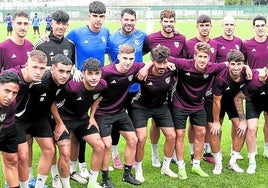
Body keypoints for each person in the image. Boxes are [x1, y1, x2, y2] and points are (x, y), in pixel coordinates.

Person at [169, 42, 227, 179]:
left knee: (201, 132)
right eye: (199, 56)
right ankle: (181, 166)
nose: (202, 59)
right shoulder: (184, 64)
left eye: (205, 57)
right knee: (180, 134)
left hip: (198, 105)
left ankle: (196, 165)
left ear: (209, 58)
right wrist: (166, 64)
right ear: (194, 56)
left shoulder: (213, 67)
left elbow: (229, 64)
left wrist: (248, 69)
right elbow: (163, 57)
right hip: (180, 104)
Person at [15, 54, 73, 188]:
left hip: (40, 119)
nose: (65, 75)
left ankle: (39, 186)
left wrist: (59, 122)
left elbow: (50, 100)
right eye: (61, 71)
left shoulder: (66, 79)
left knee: (49, 151)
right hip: (21, 120)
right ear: (52, 69)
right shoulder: (38, 82)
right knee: (22, 156)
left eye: (68, 72)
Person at [34, 10, 76, 187]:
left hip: (62, 103)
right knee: (49, 146)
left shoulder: (70, 44)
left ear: (67, 25)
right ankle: (53, 176)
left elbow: (71, 69)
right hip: (43, 102)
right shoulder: (41, 43)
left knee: (63, 144)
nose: (60, 26)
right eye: (57, 23)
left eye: (63, 23)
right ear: (51, 24)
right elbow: (35, 69)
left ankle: (66, 174)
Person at [91, 44, 144, 187]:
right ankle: (105, 180)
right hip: (103, 113)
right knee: (107, 145)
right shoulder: (106, 72)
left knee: (133, 140)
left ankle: (127, 175)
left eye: (131, 58)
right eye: (125, 58)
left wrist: (148, 66)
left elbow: (151, 63)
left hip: (120, 112)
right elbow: (96, 96)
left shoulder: (134, 68)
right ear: (118, 57)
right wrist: (91, 117)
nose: (128, 62)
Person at [142, 9, 187, 168]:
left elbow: (184, 60)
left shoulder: (181, 38)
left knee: (173, 120)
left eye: (171, 21)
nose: (169, 24)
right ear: (161, 22)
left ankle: (173, 154)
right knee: (155, 121)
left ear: (175, 22)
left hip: (174, 86)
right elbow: (142, 55)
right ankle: (154, 154)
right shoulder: (151, 38)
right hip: (156, 85)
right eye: (166, 21)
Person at [52, 58, 107, 188]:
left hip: (83, 119)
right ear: (83, 74)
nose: (94, 78)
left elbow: (97, 98)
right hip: (64, 120)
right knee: (65, 152)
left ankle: (92, 183)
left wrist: (92, 116)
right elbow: (52, 102)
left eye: (97, 73)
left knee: (100, 147)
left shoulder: (102, 85)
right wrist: (59, 123)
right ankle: (66, 185)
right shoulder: (72, 87)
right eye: (90, 74)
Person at [108, 7, 147, 170]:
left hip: (137, 89)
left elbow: (154, 51)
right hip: (118, 89)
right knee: (116, 124)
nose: (129, 23)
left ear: (135, 22)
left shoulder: (142, 36)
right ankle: (115, 155)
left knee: (137, 125)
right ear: (120, 20)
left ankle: (136, 162)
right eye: (126, 20)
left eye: (132, 20)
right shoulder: (111, 38)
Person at [133, 45, 177, 183]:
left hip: (160, 107)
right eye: (158, 62)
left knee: (171, 136)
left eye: (165, 62)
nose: (162, 66)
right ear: (152, 61)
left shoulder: (171, 71)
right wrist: (146, 67)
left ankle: (165, 167)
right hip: (140, 107)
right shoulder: (142, 72)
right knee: (141, 138)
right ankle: (138, 170)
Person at [3, 50, 48, 188]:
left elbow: (56, 72)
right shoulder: (11, 77)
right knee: (14, 158)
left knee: (22, 156)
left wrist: (76, 72)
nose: (38, 72)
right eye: (34, 67)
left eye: (42, 68)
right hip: (5, 120)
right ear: (26, 64)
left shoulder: (36, 78)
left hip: (14, 118)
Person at [186, 14, 218, 164]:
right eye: (202, 25)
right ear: (197, 26)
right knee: (193, 125)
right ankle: (193, 154)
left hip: (210, 90)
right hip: (192, 91)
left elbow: (218, 66)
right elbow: (184, 64)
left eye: (207, 25)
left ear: (211, 26)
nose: (204, 28)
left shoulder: (215, 44)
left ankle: (207, 151)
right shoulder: (189, 43)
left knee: (208, 123)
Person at [211, 50, 249, 175]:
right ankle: (218, 163)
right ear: (228, 64)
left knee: (242, 128)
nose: (236, 67)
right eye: (233, 64)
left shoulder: (246, 73)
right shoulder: (221, 78)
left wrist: (243, 121)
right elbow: (217, 101)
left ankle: (232, 162)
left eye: (239, 64)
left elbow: (261, 71)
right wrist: (216, 122)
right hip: (220, 103)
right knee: (215, 130)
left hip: (235, 103)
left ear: (243, 64)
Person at [214, 15, 245, 160]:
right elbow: (212, 65)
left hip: (235, 92)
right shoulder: (215, 42)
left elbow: (242, 62)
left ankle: (234, 150)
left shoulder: (239, 42)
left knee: (236, 123)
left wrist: (248, 68)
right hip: (219, 89)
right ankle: (216, 153)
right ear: (222, 25)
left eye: (231, 24)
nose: (229, 27)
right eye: (226, 24)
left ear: (235, 25)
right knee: (217, 124)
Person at [233, 64, 268, 174]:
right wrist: (242, 120)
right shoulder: (255, 80)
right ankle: (252, 162)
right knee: (252, 129)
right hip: (253, 103)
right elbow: (238, 97)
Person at [242, 15, 268, 158]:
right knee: (253, 124)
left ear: (265, 26)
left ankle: (266, 147)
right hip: (253, 88)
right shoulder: (247, 44)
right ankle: (254, 149)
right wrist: (247, 67)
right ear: (253, 27)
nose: (260, 28)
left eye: (262, 25)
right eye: (257, 26)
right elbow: (242, 63)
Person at [66, 0, 110, 70]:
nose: (98, 19)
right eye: (95, 16)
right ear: (89, 16)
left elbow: (110, 49)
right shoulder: (76, 33)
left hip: (98, 77)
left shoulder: (106, 32)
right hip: (81, 77)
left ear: (104, 17)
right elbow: (60, 45)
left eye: (101, 16)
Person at [0, 72, 21, 188]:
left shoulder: (11, 103)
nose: (10, 97)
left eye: (14, 93)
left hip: (7, 128)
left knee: (12, 161)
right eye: (7, 91)